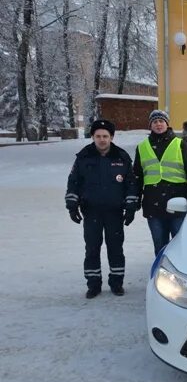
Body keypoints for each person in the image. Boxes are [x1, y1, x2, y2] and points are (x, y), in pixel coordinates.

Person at [65, 120, 137, 298]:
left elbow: (131, 185)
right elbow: (73, 183)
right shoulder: (83, 157)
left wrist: (130, 208)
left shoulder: (121, 157)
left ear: (111, 137)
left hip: (114, 213)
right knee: (92, 249)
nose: (102, 139)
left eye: (105, 136)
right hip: (91, 212)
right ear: (93, 137)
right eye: (98, 136)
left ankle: (116, 283)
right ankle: (93, 284)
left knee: (115, 249)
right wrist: (72, 206)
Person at [133, 110, 187, 255]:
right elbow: (137, 177)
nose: (158, 124)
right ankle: (161, 275)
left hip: (178, 203)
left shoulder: (179, 144)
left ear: (167, 124)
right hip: (153, 204)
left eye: (161, 121)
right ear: (150, 125)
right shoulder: (142, 147)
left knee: (180, 245)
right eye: (155, 122)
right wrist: (135, 200)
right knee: (160, 246)